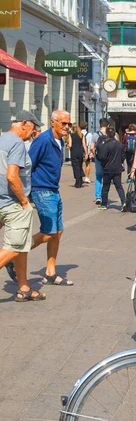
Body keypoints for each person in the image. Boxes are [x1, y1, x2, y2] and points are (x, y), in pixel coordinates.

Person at [0, 111, 46, 301]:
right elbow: (12, 176)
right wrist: (24, 201)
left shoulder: (3, 139)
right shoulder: (17, 143)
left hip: (2, 200)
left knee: (22, 247)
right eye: (33, 127)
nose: (34, 132)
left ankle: (24, 287)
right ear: (24, 123)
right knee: (14, 247)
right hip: (13, 203)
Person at [29, 109, 73, 286]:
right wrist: (28, 192)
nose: (67, 127)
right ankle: (13, 254)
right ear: (52, 122)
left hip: (53, 190)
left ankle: (50, 272)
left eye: (69, 124)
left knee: (58, 232)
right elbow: (28, 164)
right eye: (63, 123)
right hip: (42, 190)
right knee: (49, 232)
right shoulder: (43, 140)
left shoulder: (59, 141)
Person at [97, 127, 126, 211]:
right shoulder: (120, 144)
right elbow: (123, 156)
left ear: (106, 135)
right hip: (117, 168)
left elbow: (102, 157)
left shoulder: (105, 145)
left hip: (107, 168)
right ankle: (123, 202)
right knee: (119, 186)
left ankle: (104, 204)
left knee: (105, 187)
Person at [90, 118, 109, 205]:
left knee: (98, 177)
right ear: (108, 125)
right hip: (108, 159)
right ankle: (104, 196)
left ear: (99, 125)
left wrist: (95, 154)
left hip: (98, 158)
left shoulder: (95, 134)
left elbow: (91, 147)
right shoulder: (111, 134)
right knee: (106, 177)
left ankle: (98, 196)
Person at [67, 123, 88, 188]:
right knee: (79, 165)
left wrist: (67, 146)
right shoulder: (81, 135)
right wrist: (86, 153)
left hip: (74, 152)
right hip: (80, 152)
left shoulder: (71, 135)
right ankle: (80, 179)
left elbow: (70, 145)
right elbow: (84, 145)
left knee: (75, 167)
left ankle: (78, 182)